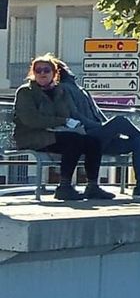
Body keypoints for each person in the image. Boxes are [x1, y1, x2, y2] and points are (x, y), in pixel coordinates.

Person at [51, 58, 140, 199]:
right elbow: (75, 115)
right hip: (86, 136)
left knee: (138, 141)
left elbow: (98, 113)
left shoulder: (81, 89)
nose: (70, 70)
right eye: (65, 68)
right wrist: (103, 127)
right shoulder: (62, 89)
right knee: (120, 121)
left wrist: (108, 129)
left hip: (99, 135)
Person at [13, 55, 108, 201]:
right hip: (32, 136)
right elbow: (31, 120)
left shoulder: (60, 91)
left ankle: (92, 186)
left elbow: (68, 112)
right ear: (33, 73)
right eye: (38, 70)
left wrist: (65, 114)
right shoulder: (25, 92)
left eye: (46, 70)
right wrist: (62, 121)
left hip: (56, 134)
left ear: (54, 73)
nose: (42, 73)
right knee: (73, 140)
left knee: (93, 141)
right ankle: (64, 187)